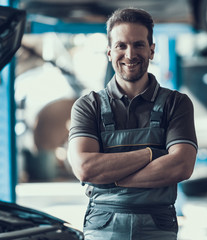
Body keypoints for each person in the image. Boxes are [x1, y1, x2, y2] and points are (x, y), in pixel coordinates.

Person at [67, 7, 198, 240]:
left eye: (138, 45)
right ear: (109, 52)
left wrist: (111, 179)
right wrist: (151, 153)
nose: (130, 54)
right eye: (121, 46)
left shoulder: (176, 104)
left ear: (152, 50)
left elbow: (181, 166)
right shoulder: (88, 106)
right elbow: (85, 168)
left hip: (157, 224)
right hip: (103, 224)